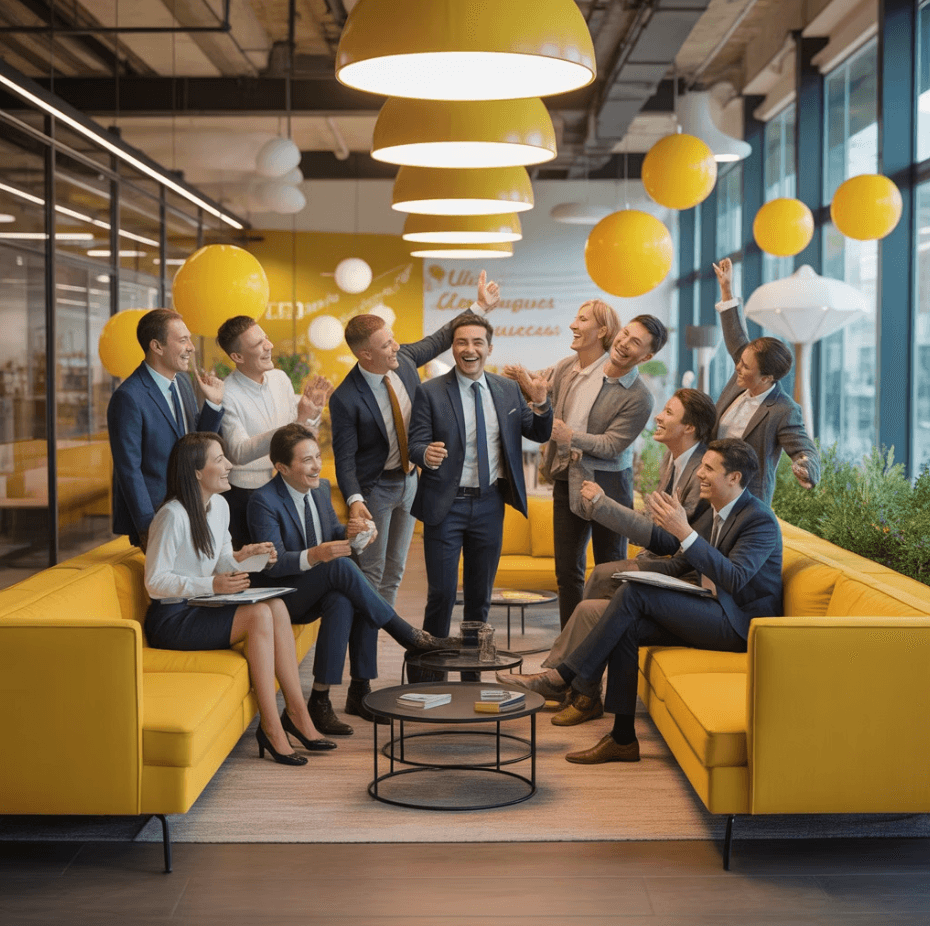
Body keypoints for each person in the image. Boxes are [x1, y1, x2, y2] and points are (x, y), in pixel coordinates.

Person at [506, 438, 783, 765]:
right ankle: (622, 739)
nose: (700, 475)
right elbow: (683, 563)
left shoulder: (759, 520)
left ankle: (564, 677)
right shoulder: (713, 511)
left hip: (737, 626)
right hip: (708, 608)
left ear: (734, 478)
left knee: (634, 597)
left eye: (709, 468)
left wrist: (685, 533)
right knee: (630, 621)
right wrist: (640, 571)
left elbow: (734, 578)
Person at [247, 424, 458, 735]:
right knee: (341, 569)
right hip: (281, 595)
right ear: (281, 467)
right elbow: (272, 565)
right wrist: (318, 553)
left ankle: (320, 700)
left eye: (317, 456)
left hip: (315, 588)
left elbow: (334, 535)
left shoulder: (319, 490)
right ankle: (409, 637)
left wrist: (353, 535)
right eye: (307, 460)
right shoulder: (262, 501)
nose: (316, 465)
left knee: (342, 597)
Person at [144, 432, 335, 767]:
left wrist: (247, 556)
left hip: (202, 605)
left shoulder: (218, 506)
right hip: (172, 619)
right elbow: (155, 583)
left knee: (274, 606)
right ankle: (272, 727)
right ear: (197, 472)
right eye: (220, 460)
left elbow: (221, 562)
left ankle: (298, 714)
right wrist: (212, 585)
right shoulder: (171, 516)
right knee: (259, 616)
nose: (230, 465)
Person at [533, 387, 718, 727]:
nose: (658, 417)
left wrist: (603, 504)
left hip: (683, 572)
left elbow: (671, 540)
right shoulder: (674, 460)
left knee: (600, 589)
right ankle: (576, 684)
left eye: (668, 412)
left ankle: (571, 684)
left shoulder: (702, 472)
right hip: (670, 561)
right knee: (602, 575)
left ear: (690, 428)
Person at [329, 270, 500, 606]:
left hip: (410, 482)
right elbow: (345, 459)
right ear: (365, 355)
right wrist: (354, 500)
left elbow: (440, 338)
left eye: (393, 339)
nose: (395, 347)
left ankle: (385, 629)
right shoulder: (345, 398)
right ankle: (364, 640)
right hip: (375, 489)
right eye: (386, 345)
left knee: (395, 570)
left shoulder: (403, 358)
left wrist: (478, 307)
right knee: (372, 570)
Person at [509, 314, 667, 628]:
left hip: (609, 487)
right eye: (625, 334)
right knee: (568, 571)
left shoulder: (640, 397)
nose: (624, 343)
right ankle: (569, 641)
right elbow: (541, 389)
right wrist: (524, 382)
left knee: (610, 570)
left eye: (635, 343)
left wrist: (570, 436)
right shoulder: (573, 366)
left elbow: (612, 445)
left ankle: (603, 639)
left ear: (646, 357)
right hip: (567, 477)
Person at [408, 313, 553, 639]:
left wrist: (541, 402)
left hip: (489, 504)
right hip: (445, 505)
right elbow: (414, 443)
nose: (469, 349)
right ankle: (433, 676)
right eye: (462, 342)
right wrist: (424, 454)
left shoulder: (507, 390)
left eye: (477, 342)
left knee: (479, 600)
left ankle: (472, 674)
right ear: (453, 348)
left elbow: (539, 433)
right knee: (442, 594)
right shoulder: (430, 392)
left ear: (489, 348)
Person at [108, 308, 224, 550]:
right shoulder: (128, 398)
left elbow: (195, 446)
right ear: (157, 347)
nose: (191, 347)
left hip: (190, 508)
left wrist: (212, 405)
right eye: (183, 340)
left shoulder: (182, 383)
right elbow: (128, 470)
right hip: (157, 518)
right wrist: (148, 527)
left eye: (189, 339)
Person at [216, 315, 333, 548]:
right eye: (258, 344)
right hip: (245, 495)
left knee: (291, 558)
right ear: (237, 357)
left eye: (266, 338)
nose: (269, 346)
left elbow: (299, 435)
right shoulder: (226, 393)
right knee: (260, 565)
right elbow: (238, 452)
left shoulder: (280, 378)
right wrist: (297, 423)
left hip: (286, 484)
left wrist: (313, 413)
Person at [712, 257, 819, 505]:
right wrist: (727, 289)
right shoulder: (743, 377)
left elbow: (804, 449)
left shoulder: (784, 410)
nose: (737, 366)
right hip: (711, 485)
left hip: (745, 498)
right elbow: (736, 333)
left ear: (767, 377)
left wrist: (806, 468)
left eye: (745, 365)